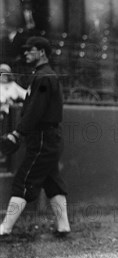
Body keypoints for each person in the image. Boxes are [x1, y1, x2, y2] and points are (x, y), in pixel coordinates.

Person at [0, 37, 71, 237]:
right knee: (52, 181)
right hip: (49, 137)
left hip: (42, 137)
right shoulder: (43, 75)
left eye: (30, 50)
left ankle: (5, 228)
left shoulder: (44, 77)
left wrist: (18, 132)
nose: (26, 53)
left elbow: (35, 110)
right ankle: (63, 226)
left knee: (23, 181)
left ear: (41, 52)